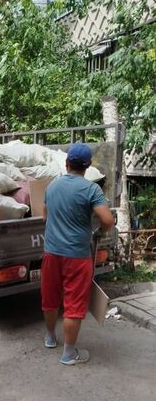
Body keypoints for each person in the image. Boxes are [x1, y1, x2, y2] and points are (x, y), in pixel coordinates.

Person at [41, 142, 115, 365]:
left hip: (51, 252)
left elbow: (45, 216)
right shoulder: (91, 189)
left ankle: (50, 337)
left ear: (67, 163)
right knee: (73, 303)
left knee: (51, 297)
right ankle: (68, 353)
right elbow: (108, 220)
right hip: (76, 256)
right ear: (88, 166)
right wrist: (99, 231)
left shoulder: (52, 186)